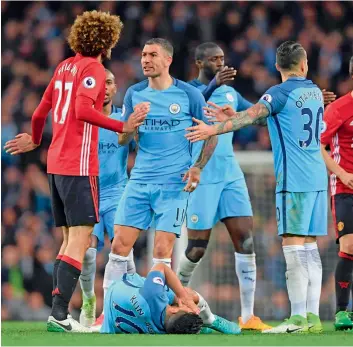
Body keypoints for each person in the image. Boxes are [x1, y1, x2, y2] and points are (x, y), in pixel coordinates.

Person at [4, 11, 147, 333]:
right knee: (80, 240)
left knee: (70, 240)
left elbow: (42, 108)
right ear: (106, 40)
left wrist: (37, 138)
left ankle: (60, 311)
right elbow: (83, 110)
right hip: (79, 165)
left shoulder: (63, 67)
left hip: (56, 163)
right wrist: (119, 124)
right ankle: (59, 314)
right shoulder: (92, 68)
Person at [185, 41, 328, 334]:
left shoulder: (278, 93)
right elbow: (263, 118)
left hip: (294, 180)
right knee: (311, 246)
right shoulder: (314, 92)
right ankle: (312, 317)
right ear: (304, 65)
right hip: (317, 178)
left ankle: (297, 318)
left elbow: (252, 116)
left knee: (293, 246)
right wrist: (231, 116)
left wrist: (214, 127)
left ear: (277, 67)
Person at [102, 38, 218, 313]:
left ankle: (160, 312)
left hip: (173, 185)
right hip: (140, 181)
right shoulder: (134, 94)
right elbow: (122, 139)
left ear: (168, 60)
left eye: (153, 54)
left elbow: (211, 135)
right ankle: (109, 315)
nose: (145, 59)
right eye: (143, 54)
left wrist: (198, 166)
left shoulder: (189, 95)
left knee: (162, 253)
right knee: (119, 246)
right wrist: (131, 124)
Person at [176, 42, 271, 331]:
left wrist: (238, 117)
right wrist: (213, 84)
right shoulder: (187, 90)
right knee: (196, 248)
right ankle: (173, 298)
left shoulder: (231, 93)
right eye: (214, 59)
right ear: (199, 62)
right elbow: (181, 117)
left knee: (246, 241)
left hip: (230, 173)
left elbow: (258, 117)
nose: (220, 63)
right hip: (202, 176)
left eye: (222, 58)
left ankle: (248, 315)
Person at [79, 69, 136, 327]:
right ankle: (89, 299)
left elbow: (142, 150)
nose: (105, 87)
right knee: (87, 253)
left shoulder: (126, 117)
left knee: (123, 250)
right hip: (87, 192)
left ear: (115, 89)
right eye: (101, 82)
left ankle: (119, 306)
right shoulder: (82, 119)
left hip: (117, 193)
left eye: (110, 82)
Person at [101, 262, 241, 334]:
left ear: (174, 311)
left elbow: (161, 267)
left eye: (185, 309)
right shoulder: (163, 332)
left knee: (186, 295)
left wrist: (182, 296)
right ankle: (211, 320)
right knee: (189, 296)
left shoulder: (155, 295)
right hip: (112, 320)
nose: (187, 306)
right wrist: (184, 296)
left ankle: (206, 323)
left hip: (117, 291)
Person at [320, 56, 353, 331]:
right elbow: (317, 147)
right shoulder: (339, 109)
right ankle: (342, 312)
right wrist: (340, 173)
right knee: (349, 246)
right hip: (345, 189)